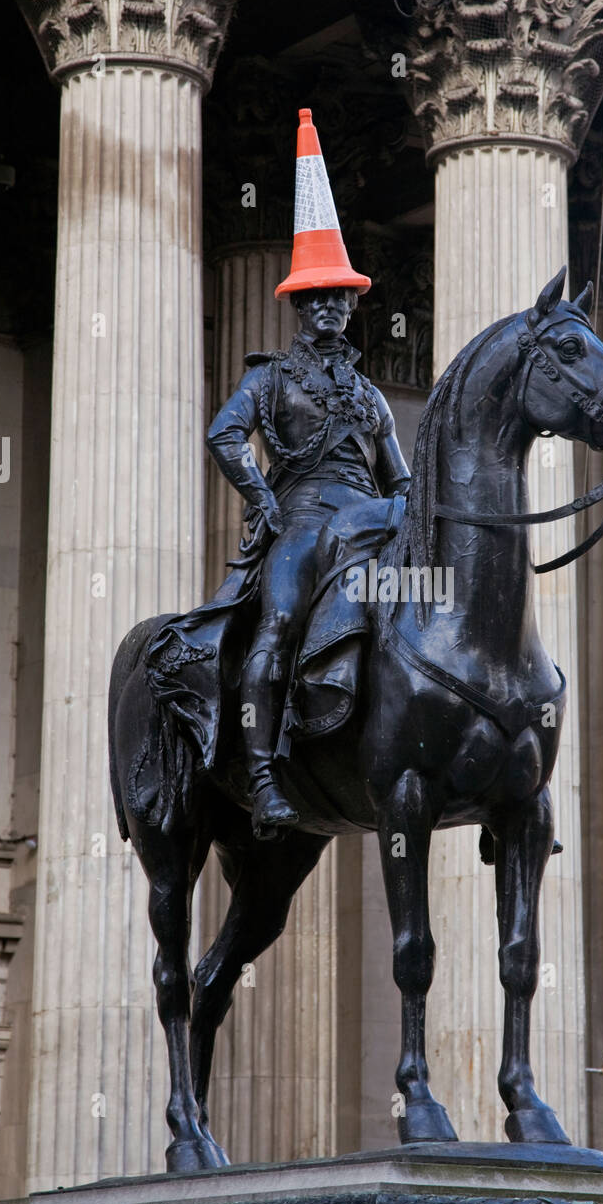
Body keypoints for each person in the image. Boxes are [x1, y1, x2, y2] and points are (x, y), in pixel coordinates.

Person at [142, 110, 409, 839]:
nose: (328, 308)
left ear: (354, 305)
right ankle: (262, 775)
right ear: (297, 305)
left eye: (339, 297)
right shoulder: (270, 380)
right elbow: (224, 434)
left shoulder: (371, 394)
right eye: (315, 298)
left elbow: (400, 479)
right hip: (301, 520)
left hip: (371, 523)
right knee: (281, 620)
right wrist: (261, 498)